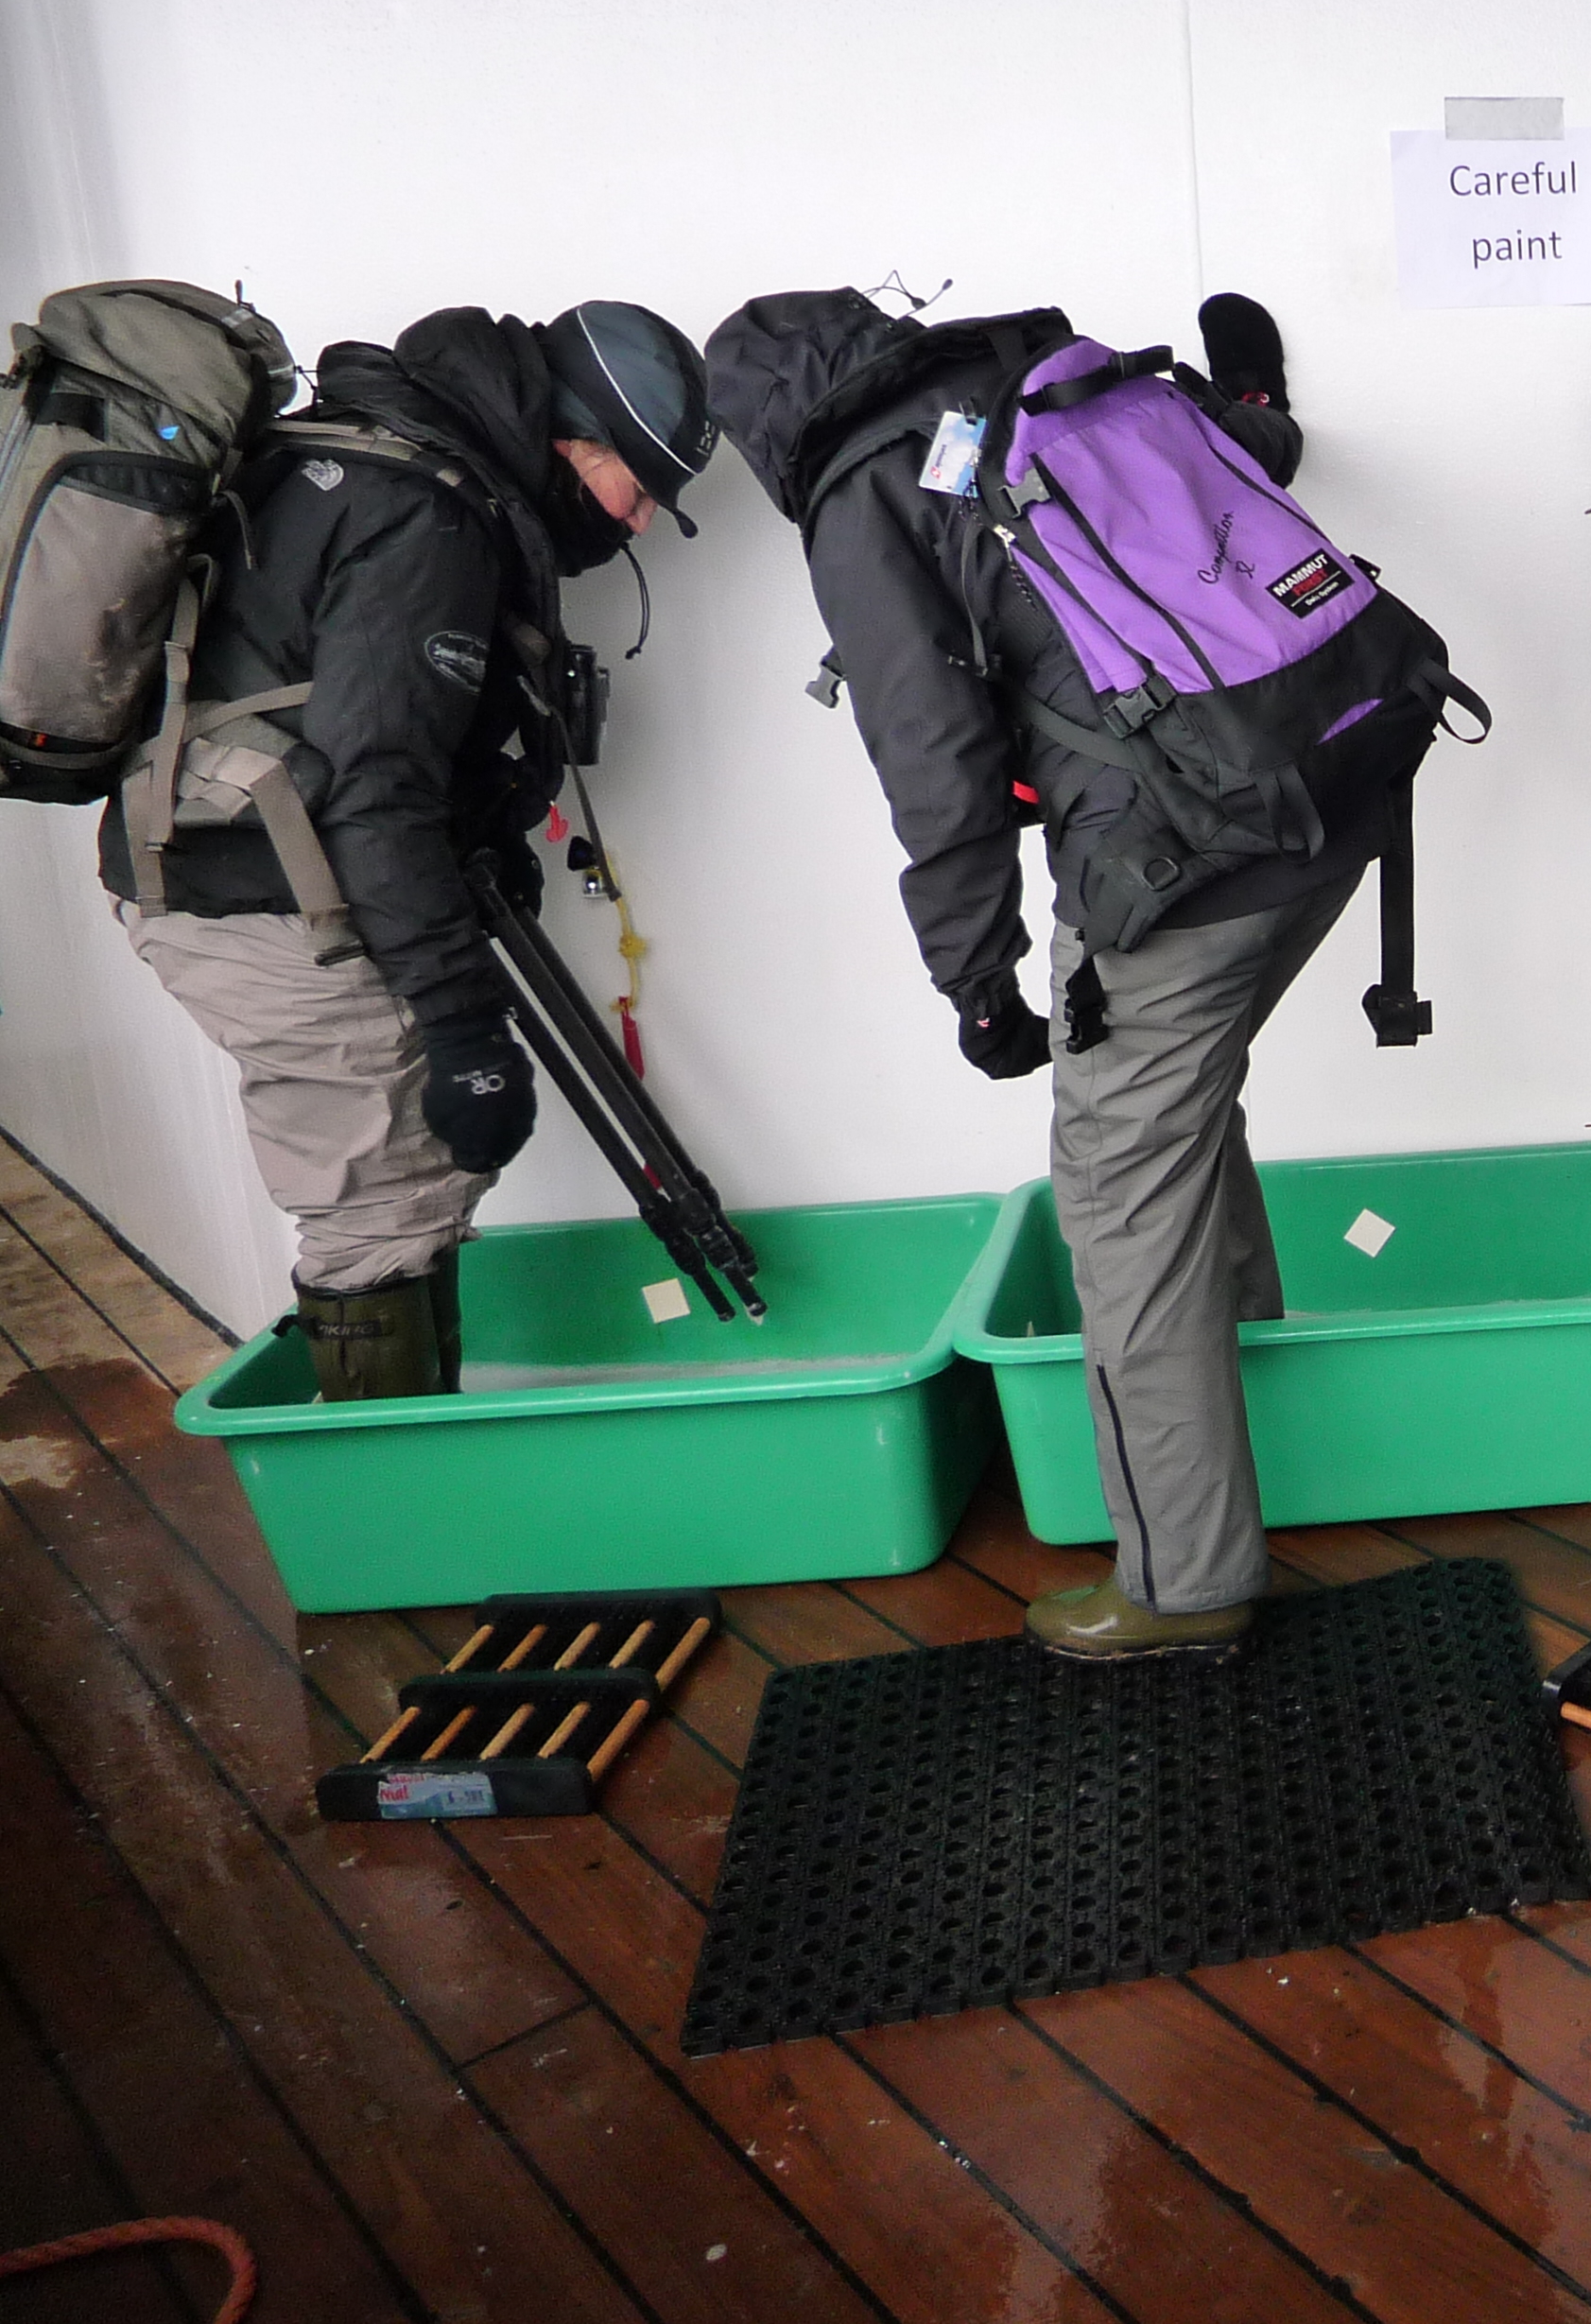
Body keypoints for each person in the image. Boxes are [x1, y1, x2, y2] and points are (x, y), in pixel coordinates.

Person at [709, 287, 1362, 1661]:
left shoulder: (865, 490)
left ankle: (1183, 1584)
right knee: (1179, 1107)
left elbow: (933, 762)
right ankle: (1273, 1405)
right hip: (1343, 767)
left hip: (1182, 853)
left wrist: (978, 981)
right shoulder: (1065, 385)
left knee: (1118, 1194)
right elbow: (1257, 465)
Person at [99, 301, 714, 1396]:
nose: (642, 522)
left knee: (409, 1193)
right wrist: (469, 1027)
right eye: (643, 488)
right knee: (382, 1208)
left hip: (248, 868)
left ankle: (423, 1492)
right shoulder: (426, 518)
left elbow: (345, 730)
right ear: (576, 444)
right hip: (262, 895)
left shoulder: (378, 462)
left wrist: (482, 842)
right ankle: (393, 1536)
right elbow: (377, 793)